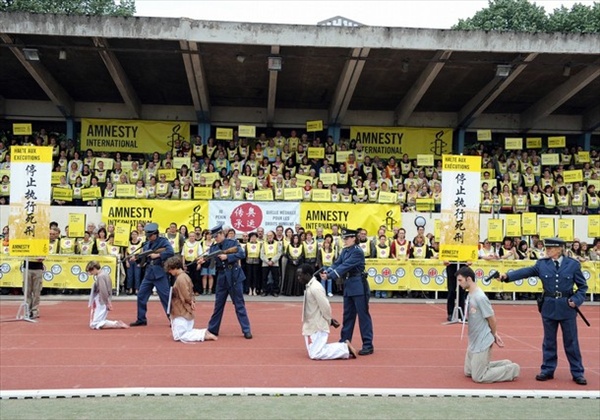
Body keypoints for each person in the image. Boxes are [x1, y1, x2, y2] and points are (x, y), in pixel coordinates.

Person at [498, 238, 588, 385]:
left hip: (567, 307)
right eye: (547, 248)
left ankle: (577, 372)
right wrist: (507, 277)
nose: (547, 251)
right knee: (549, 341)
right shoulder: (542, 264)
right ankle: (547, 369)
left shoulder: (573, 265)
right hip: (549, 306)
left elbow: (583, 287)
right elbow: (526, 272)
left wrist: (576, 300)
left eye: (551, 249)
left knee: (571, 342)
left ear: (559, 249)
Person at [457, 266, 520, 383]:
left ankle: (512, 369)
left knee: (478, 377)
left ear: (469, 279)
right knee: (468, 371)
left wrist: (494, 334)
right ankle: (504, 363)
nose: (458, 283)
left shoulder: (480, 297)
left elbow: (492, 318)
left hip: (482, 340)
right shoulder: (470, 294)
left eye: (460, 280)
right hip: (473, 340)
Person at [320, 228, 374, 356]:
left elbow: (346, 266)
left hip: (358, 285)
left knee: (363, 315)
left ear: (353, 239)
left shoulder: (357, 252)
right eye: (344, 238)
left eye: (347, 238)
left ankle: (368, 344)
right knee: (348, 316)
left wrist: (330, 276)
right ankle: (344, 341)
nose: (345, 240)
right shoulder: (345, 251)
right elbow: (337, 263)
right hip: (349, 285)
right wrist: (328, 270)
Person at [297, 263, 357, 360]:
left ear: (307, 275)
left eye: (300, 275)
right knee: (313, 352)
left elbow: (325, 306)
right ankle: (343, 347)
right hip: (311, 325)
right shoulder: (310, 286)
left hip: (317, 326)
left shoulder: (315, 287)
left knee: (315, 354)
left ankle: (344, 348)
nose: (298, 278)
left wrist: (329, 320)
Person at [204, 223, 253, 339]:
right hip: (222, 278)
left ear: (222, 234)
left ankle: (246, 329)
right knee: (218, 305)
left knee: (239, 304)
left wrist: (228, 257)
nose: (215, 238)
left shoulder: (232, 243)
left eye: (217, 236)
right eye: (214, 237)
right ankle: (213, 329)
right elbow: (211, 264)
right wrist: (203, 262)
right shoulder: (213, 247)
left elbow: (241, 254)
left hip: (234, 276)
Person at [163, 256, 218, 343]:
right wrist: (192, 301)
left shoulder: (181, 279)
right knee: (181, 334)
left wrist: (189, 301)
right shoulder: (185, 276)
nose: (169, 272)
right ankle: (203, 333)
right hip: (185, 312)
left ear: (174, 268)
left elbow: (185, 295)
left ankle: (203, 334)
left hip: (181, 311)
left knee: (180, 336)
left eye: (170, 270)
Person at [129, 223, 174, 327]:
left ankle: (173, 319)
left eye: (150, 235)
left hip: (160, 273)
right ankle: (141, 319)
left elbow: (171, 252)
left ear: (155, 234)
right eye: (148, 236)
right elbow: (143, 258)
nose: (149, 238)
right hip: (149, 273)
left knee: (166, 297)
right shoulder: (146, 244)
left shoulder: (163, 241)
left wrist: (158, 255)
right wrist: (136, 259)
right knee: (141, 295)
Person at [86, 261, 129, 330]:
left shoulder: (100, 277)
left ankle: (115, 324)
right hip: (104, 299)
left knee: (94, 324)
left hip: (101, 300)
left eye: (90, 271)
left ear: (94, 268)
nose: (90, 273)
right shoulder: (104, 274)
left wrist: (106, 302)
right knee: (98, 321)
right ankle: (115, 324)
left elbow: (103, 290)